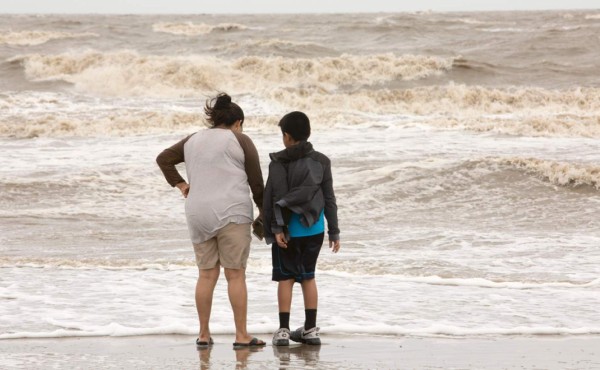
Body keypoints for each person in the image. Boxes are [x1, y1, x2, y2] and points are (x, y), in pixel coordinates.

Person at [156, 93, 266, 348]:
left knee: (206, 276)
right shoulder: (240, 140)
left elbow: (163, 159)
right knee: (235, 275)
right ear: (237, 122)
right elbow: (256, 182)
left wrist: (181, 185)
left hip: (198, 212)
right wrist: (263, 212)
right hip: (232, 212)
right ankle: (241, 336)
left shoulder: (193, 140)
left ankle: (203, 335)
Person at [263, 111, 341, 346]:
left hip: (287, 231)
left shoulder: (278, 162)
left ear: (286, 136)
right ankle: (310, 330)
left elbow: (274, 197)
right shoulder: (322, 161)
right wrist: (334, 231)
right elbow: (329, 198)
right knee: (308, 277)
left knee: (285, 278)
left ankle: (284, 331)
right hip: (315, 229)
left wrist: (275, 228)